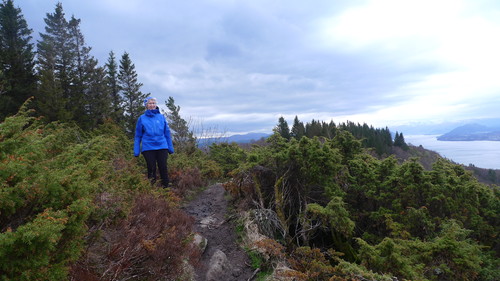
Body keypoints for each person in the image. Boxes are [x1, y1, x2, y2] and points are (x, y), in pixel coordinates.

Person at [134, 97, 174, 188]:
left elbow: (167, 133)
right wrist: (136, 151)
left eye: (153, 103)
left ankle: (166, 188)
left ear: (156, 105)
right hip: (148, 147)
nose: (152, 105)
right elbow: (138, 136)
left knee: (163, 167)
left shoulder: (161, 117)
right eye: (150, 103)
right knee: (151, 168)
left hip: (162, 146)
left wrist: (170, 147)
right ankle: (152, 190)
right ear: (146, 105)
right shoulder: (141, 118)